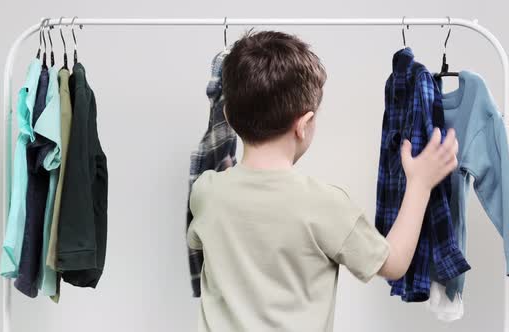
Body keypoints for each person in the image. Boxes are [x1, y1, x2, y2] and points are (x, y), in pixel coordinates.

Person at [187, 29, 459, 332]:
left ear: (228, 114)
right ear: (304, 125)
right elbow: (394, 264)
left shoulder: (207, 192)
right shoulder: (325, 205)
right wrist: (420, 185)